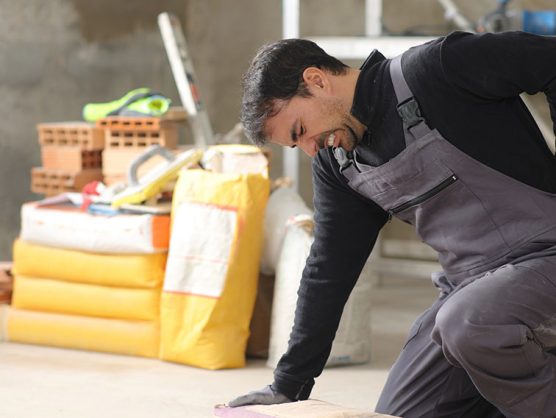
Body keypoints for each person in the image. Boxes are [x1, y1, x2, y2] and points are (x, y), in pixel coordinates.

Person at [228, 31, 556, 418]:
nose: (310, 149)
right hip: (473, 288)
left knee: (468, 325)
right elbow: (329, 269)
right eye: (294, 145)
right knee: (404, 413)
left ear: (316, 80)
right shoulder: (339, 164)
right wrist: (289, 384)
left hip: (545, 257)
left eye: (299, 131)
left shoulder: (437, 69)